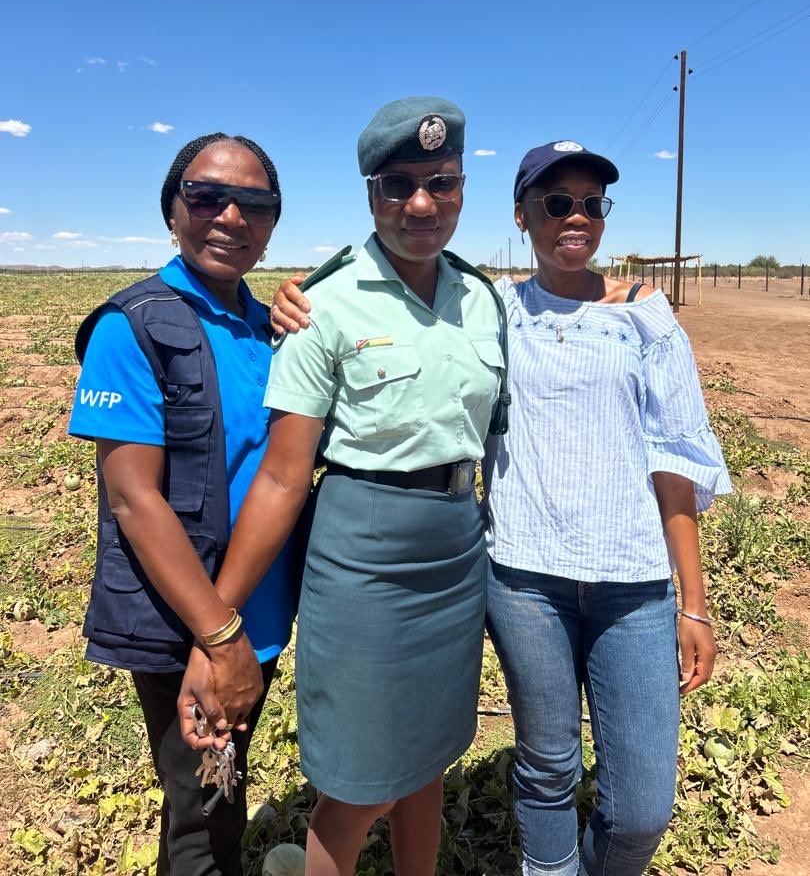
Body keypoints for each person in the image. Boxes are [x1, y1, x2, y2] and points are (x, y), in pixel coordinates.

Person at [270, 138, 732, 876]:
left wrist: (694, 604)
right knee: (547, 769)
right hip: (524, 579)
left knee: (643, 807)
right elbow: (398, 308)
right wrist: (300, 296)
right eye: (556, 203)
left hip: (633, 582)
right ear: (522, 215)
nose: (574, 217)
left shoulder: (646, 317)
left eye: (590, 204)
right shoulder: (492, 307)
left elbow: (675, 464)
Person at [179, 97, 506, 876]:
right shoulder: (322, 303)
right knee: (360, 781)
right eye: (399, 185)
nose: (421, 203)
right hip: (363, 556)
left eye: (441, 182)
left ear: (461, 188)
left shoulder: (482, 299)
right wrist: (217, 624)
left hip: (457, 552)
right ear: (371, 194)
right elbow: (287, 474)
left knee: (427, 758)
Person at [69, 132, 298, 876]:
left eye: (254, 204)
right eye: (206, 197)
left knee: (220, 795)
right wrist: (221, 638)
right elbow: (134, 500)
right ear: (173, 210)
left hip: (258, 615)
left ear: (270, 225)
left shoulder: (268, 330)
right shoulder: (132, 326)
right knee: (200, 817)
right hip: (188, 624)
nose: (229, 216)